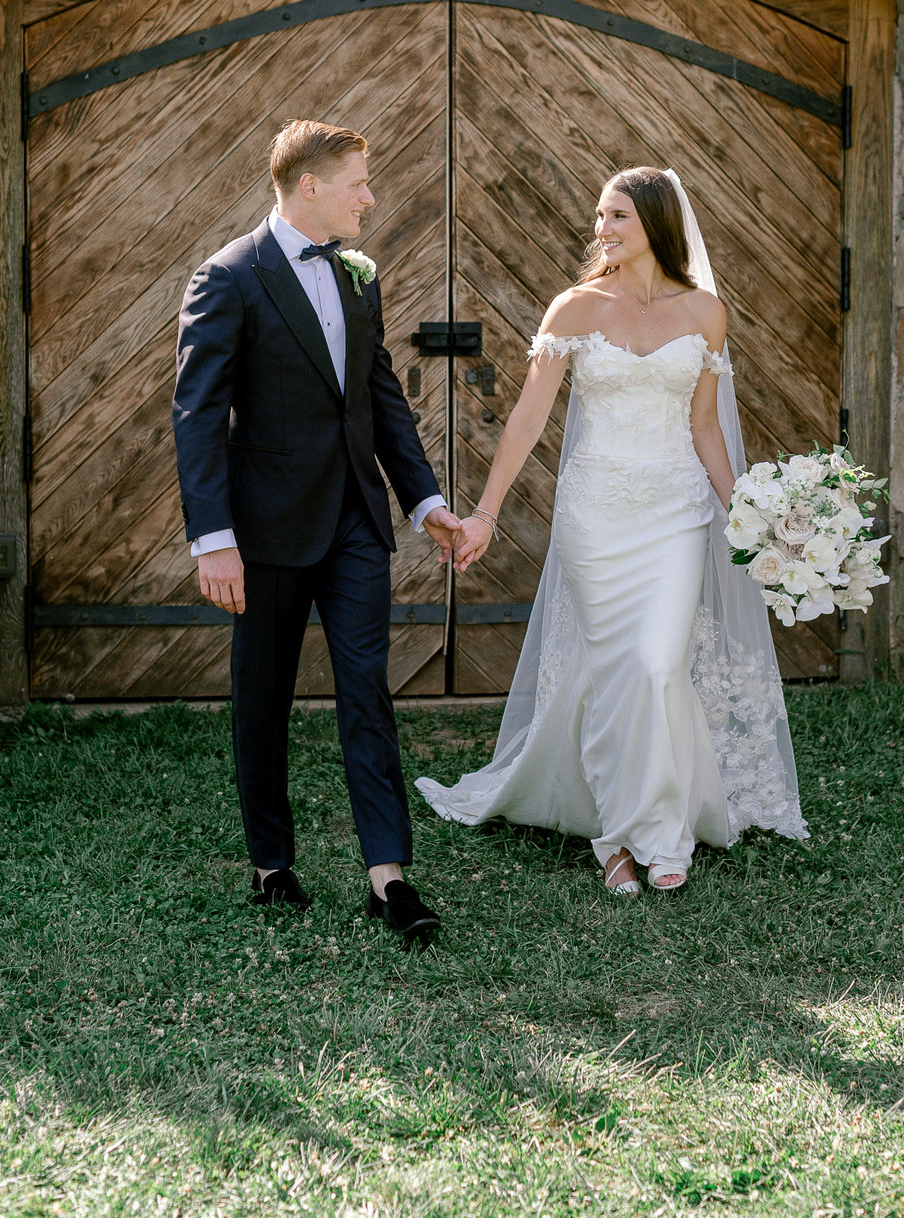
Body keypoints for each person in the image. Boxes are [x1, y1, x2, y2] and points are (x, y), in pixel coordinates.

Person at [416, 167, 806, 893]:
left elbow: (705, 431)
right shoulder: (572, 309)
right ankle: (623, 838)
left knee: (656, 664)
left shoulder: (704, 313)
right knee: (613, 666)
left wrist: (749, 518)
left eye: (617, 216)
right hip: (594, 511)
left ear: (655, 224)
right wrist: (485, 513)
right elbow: (529, 419)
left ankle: (654, 831)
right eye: (599, 216)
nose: (601, 230)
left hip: (676, 514)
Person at [173, 119, 461, 938]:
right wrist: (213, 538)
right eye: (357, 183)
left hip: (356, 524)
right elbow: (197, 418)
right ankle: (271, 865)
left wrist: (425, 502)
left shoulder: (357, 276)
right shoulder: (229, 276)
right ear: (310, 186)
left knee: (366, 690)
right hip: (262, 532)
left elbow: (380, 401)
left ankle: (387, 879)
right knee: (260, 699)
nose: (370, 196)